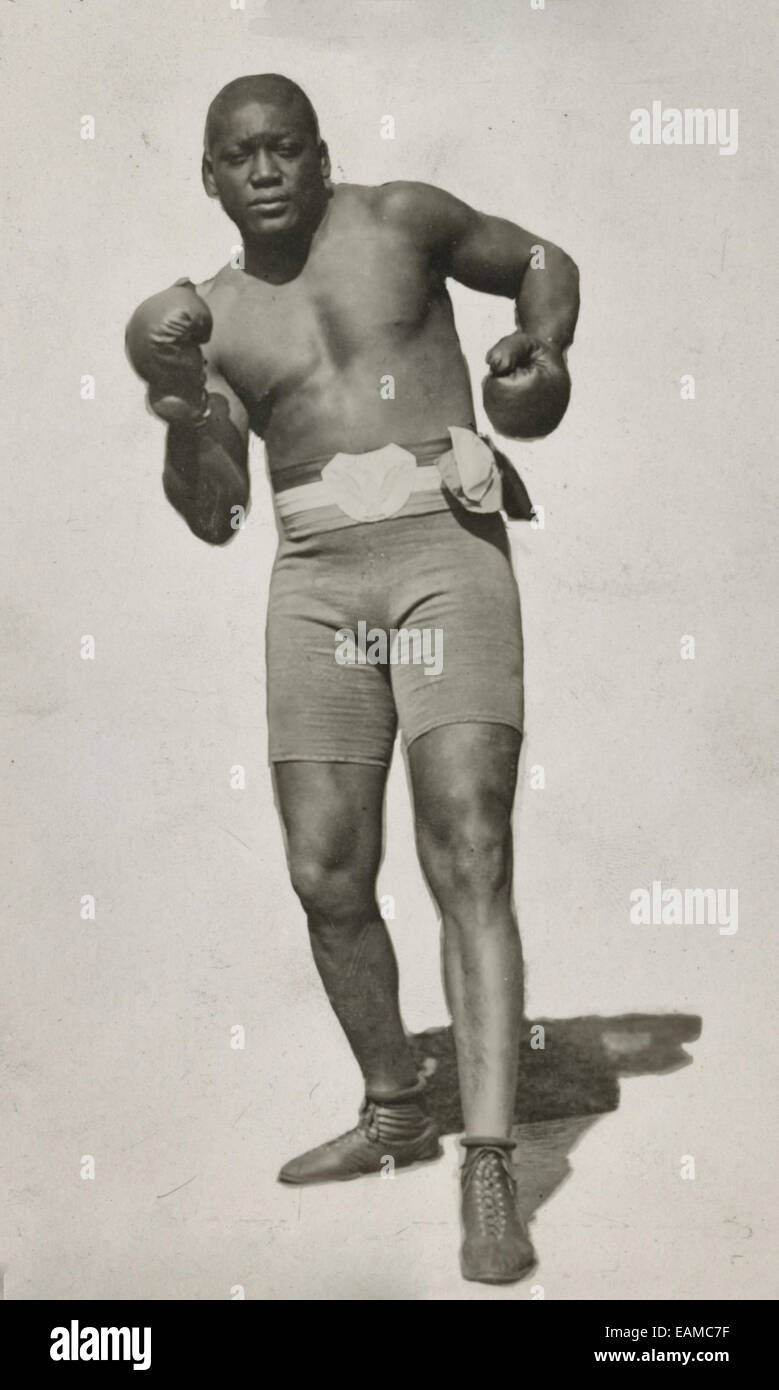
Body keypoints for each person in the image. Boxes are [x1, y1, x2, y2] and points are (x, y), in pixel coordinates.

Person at [126, 73, 579, 1285]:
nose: (265, 171)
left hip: (442, 545)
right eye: (239, 156)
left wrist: (541, 342)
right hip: (316, 570)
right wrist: (180, 413)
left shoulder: (401, 221)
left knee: (468, 839)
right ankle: (395, 1109)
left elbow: (538, 255)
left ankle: (489, 1156)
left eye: (284, 147)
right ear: (210, 179)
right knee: (325, 870)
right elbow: (213, 509)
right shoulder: (207, 319)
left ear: (320, 156)